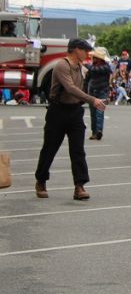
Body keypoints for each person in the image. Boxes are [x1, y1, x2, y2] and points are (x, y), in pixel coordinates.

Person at [34, 38, 106, 201]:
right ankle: (41, 180)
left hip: (75, 112)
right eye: (85, 51)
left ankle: (79, 186)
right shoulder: (62, 65)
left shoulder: (82, 68)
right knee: (50, 148)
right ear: (76, 50)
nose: (88, 54)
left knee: (78, 150)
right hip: (58, 111)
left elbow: (93, 77)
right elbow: (70, 88)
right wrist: (92, 99)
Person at [84, 46, 114, 141]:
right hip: (92, 92)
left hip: (103, 92)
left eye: (96, 57)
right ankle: (94, 132)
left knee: (99, 113)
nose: (94, 59)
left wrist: (86, 65)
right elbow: (87, 79)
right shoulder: (92, 67)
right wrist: (84, 91)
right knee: (93, 113)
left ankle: (99, 131)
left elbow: (95, 70)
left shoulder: (105, 67)